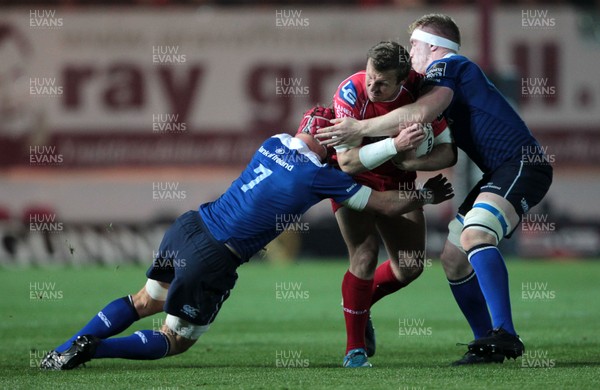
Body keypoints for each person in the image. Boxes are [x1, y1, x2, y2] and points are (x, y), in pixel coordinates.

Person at [39, 106, 454, 370]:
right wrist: (424, 195)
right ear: (332, 143)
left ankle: (65, 348)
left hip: (189, 227)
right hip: (214, 255)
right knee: (174, 340)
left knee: (143, 300)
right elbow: (382, 205)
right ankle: (93, 349)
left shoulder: (272, 142)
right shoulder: (321, 177)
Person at [316, 14, 553, 365]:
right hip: (496, 172)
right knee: (454, 259)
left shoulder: (449, 66)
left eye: (414, 45)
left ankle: (504, 333)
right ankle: (486, 345)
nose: (410, 52)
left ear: (432, 46)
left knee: (475, 236)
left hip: (521, 164)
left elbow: (423, 114)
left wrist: (360, 128)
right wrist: (407, 160)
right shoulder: (420, 81)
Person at [329, 41, 456, 368]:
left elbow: (448, 152)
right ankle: (354, 350)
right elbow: (348, 163)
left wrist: (412, 163)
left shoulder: (420, 98)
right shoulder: (350, 93)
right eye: (371, 75)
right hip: (353, 183)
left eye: (382, 82)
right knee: (365, 254)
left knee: (411, 266)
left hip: (398, 182)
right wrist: (394, 144)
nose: (373, 85)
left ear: (402, 81)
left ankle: (358, 306)